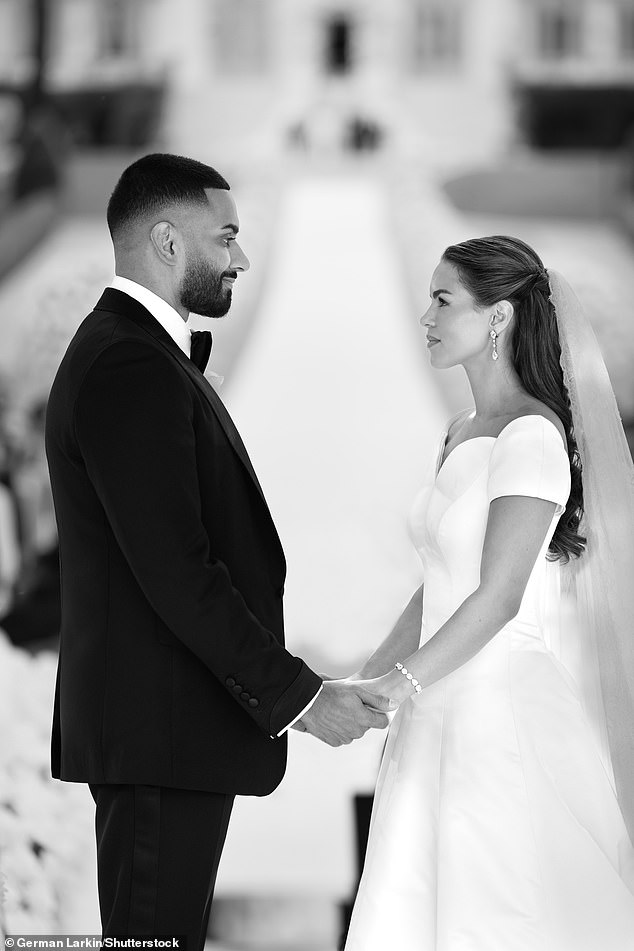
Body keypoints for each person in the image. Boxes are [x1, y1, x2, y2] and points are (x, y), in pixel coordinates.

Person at [44, 153, 392, 950]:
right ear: (167, 241)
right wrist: (301, 698)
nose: (239, 257)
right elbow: (178, 570)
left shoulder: (141, 353)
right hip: (158, 734)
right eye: (226, 237)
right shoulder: (130, 363)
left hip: (173, 732)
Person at [342, 236, 634, 950]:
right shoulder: (460, 431)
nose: (427, 316)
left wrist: (401, 684)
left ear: (498, 317)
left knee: (498, 907)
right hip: (433, 705)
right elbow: (437, 583)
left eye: (444, 300)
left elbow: (500, 596)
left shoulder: (534, 435)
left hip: (497, 711)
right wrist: (370, 680)